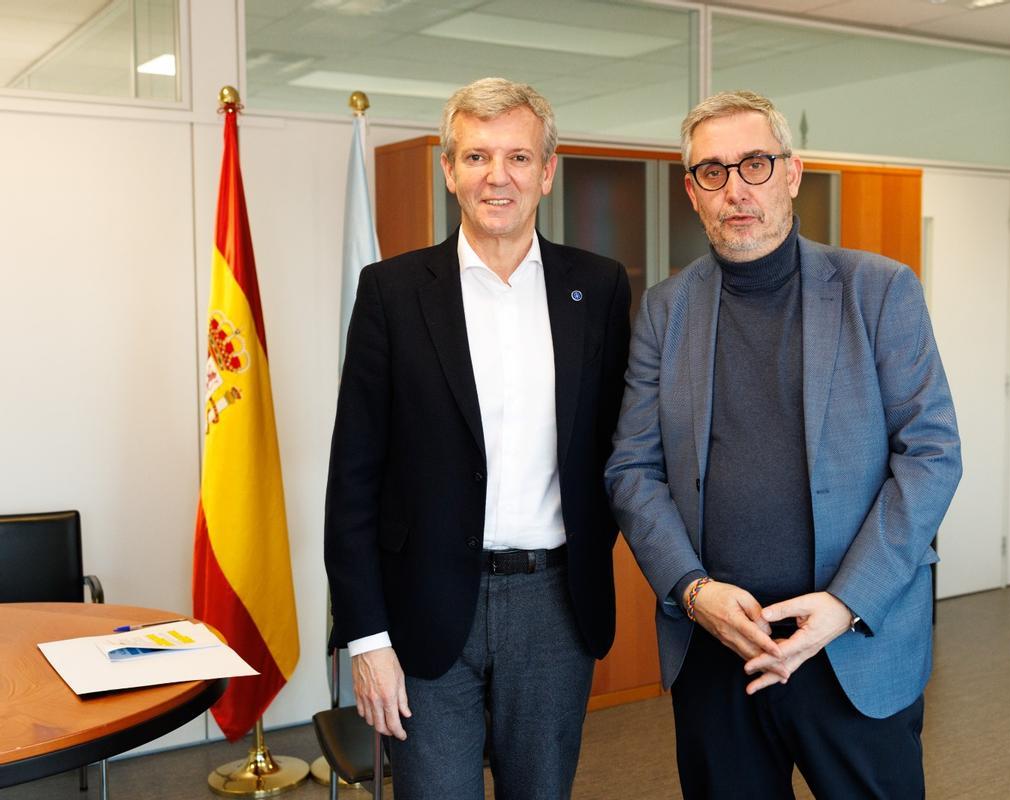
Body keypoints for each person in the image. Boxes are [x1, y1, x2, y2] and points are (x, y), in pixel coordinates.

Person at [605, 90, 962, 798]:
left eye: (755, 164)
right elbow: (632, 469)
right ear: (692, 191)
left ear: (791, 173)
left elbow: (931, 456)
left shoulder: (879, 291)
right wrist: (691, 590)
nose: (735, 189)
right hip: (719, 649)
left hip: (850, 645)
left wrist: (847, 602)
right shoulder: (666, 310)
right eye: (712, 172)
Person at [325, 77, 630, 800]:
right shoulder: (391, 294)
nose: (498, 177)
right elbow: (353, 480)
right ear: (448, 169)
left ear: (548, 172)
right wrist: (366, 639)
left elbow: (619, 451)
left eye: (519, 158)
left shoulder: (601, 288)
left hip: (555, 606)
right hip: (424, 609)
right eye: (477, 157)